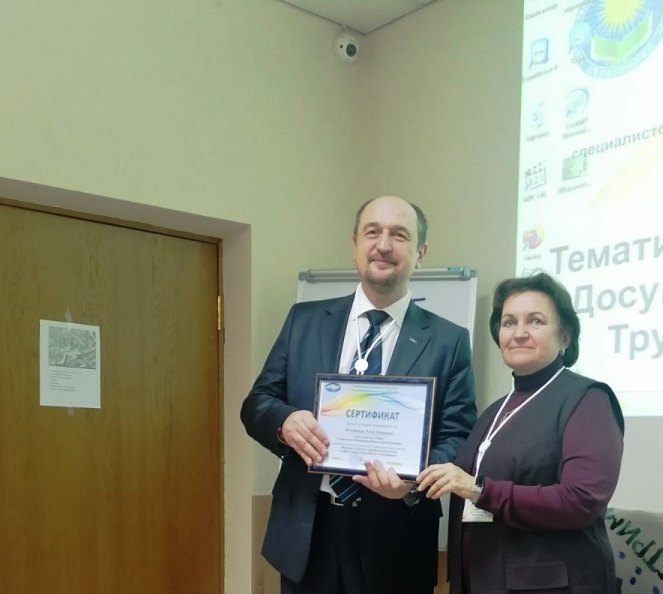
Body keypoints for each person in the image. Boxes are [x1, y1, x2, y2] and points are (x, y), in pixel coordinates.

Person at [241, 195, 477, 594]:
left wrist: (412, 482)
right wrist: (284, 422)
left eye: (399, 235)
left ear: (420, 254)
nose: (383, 245)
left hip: (396, 540)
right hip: (307, 535)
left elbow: (458, 436)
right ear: (354, 245)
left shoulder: (448, 340)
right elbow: (257, 403)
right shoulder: (304, 321)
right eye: (372, 232)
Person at [417, 272, 624, 594]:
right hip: (480, 580)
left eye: (536, 321)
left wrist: (480, 489)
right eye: (509, 322)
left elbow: (582, 499)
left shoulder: (587, 399)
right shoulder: (494, 411)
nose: (519, 333)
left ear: (565, 337)